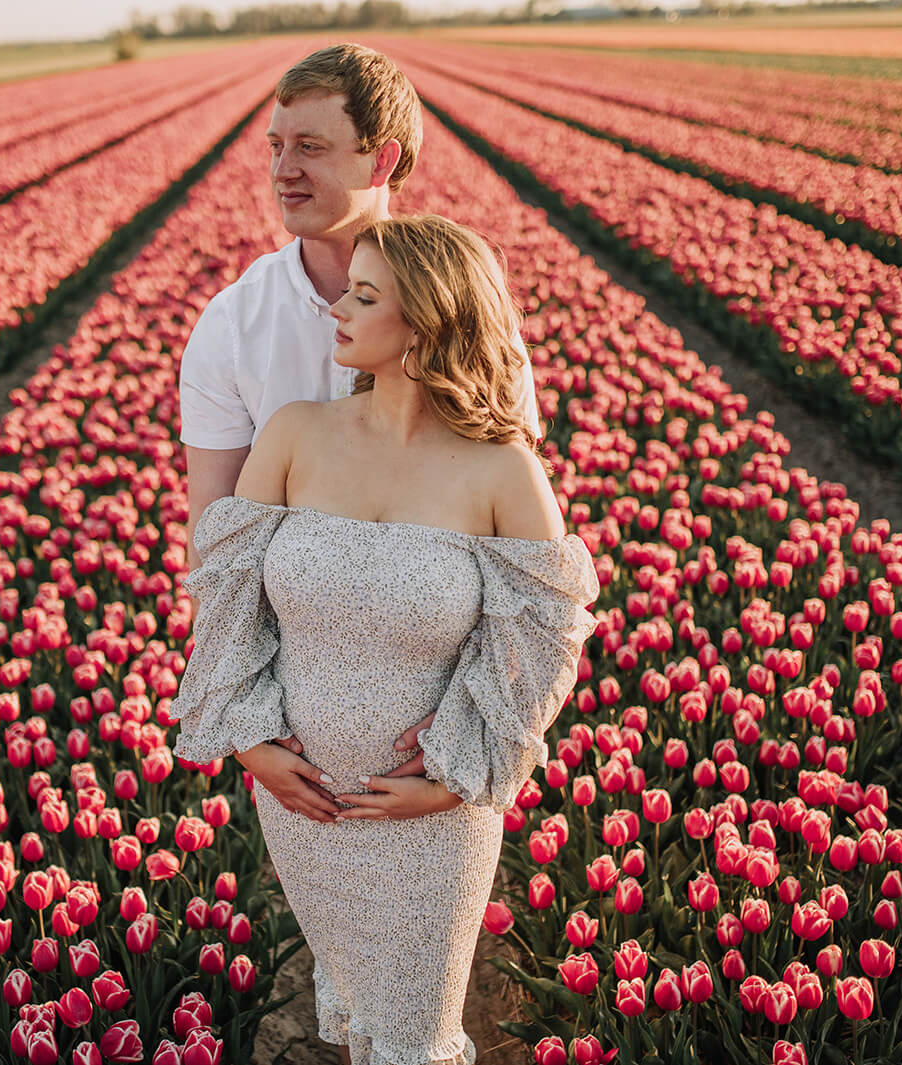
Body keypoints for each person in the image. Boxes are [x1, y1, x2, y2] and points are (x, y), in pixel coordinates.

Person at [170, 215, 598, 1065]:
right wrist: (250, 742)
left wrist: (452, 778)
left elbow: (545, 645)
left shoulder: (502, 467)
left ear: (427, 323)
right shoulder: (293, 434)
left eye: (365, 296)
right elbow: (226, 602)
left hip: (432, 817)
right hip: (302, 804)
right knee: (361, 1016)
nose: (339, 308)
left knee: (413, 1036)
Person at [178, 42, 541, 822]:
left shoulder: (474, 313)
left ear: (382, 161)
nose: (283, 170)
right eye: (276, 146)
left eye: (311, 147)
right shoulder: (232, 328)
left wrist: (467, 744)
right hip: (291, 730)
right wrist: (248, 731)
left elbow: (521, 560)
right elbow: (214, 545)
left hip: (435, 731)